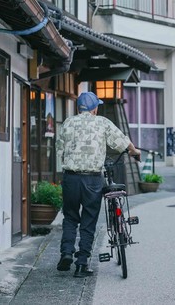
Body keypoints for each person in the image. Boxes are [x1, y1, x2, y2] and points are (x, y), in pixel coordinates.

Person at [56, 92, 140, 278]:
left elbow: (59, 149)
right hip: (92, 179)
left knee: (70, 217)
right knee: (89, 220)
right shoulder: (102, 122)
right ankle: (82, 263)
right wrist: (135, 152)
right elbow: (123, 143)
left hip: (70, 178)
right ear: (94, 108)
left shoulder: (68, 123)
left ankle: (66, 253)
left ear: (78, 108)